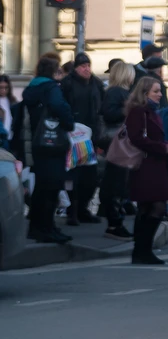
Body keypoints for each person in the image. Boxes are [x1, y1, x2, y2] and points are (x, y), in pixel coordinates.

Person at [11, 56, 76, 244]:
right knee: (52, 187)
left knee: (41, 187)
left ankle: (38, 226)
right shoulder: (51, 88)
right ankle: (46, 228)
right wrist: (69, 122)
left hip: (37, 143)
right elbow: (59, 106)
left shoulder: (32, 87)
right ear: (53, 71)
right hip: (53, 143)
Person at [125, 77, 168, 264]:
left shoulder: (151, 112)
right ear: (145, 93)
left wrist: (165, 145)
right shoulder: (139, 111)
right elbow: (137, 139)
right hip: (146, 165)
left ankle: (141, 251)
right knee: (156, 206)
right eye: (156, 91)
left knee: (147, 207)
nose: (160, 94)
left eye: (160, 91)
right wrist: (163, 147)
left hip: (154, 164)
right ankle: (142, 250)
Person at [60, 52, 104, 225]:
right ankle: (73, 211)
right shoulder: (67, 84)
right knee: (73, 175)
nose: (87, 69)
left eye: (88, 66)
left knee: (90, 176)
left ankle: (83, 208)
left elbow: (101, 106)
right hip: (73, 134)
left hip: (91, 134)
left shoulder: (96, 83)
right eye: (83, 66)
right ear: (76, 68)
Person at [99, 62, 136, 241]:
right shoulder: (116, 93)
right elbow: (109, 114)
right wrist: (129, 109)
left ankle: (116, 221)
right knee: (116, 183)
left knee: (118, 182)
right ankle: (115, 223)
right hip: (118, 142)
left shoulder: (117, 92)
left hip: (120, 142)